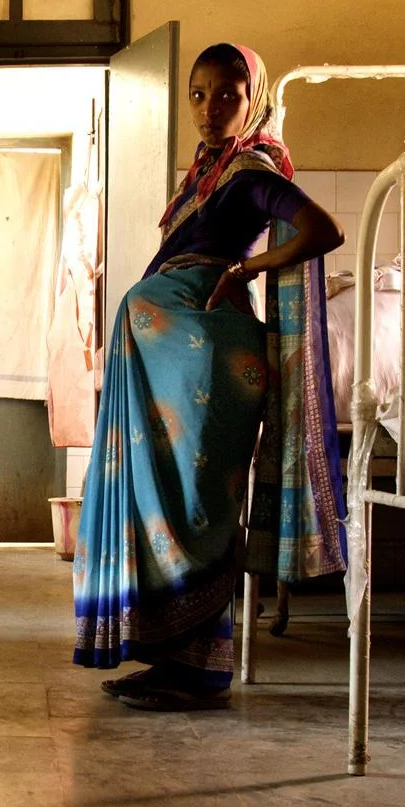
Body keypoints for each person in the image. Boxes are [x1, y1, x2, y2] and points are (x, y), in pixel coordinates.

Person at [74, 43, 347, 709]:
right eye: (198, 95)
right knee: (160, 502)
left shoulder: (252, 170)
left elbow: (324, 229)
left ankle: (200, 670)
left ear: (251, 99)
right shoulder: (204, 175)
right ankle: (171, 661)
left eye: (227, 93)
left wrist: (249, 269)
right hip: (170, 359)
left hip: (207, 356)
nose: (210, 108)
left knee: (196, 506)